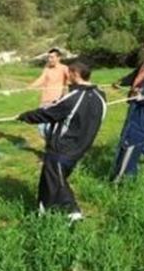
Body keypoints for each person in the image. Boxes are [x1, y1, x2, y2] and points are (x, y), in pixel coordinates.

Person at [17, 62, 107, 222]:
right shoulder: (101, 95)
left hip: (63, 148)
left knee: (57, 181)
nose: (67, 77)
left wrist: (25, 116)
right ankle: (43, 212)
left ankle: (73, 212)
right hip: (81, 147)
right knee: (48, 180)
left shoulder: (74, 97)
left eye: (69, 73)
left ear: (75, 74)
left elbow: (50, 113)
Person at [29, 48, 70, 137]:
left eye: (52, 57)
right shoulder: (47, 68)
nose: (49, 59)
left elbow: (70, 81)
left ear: (58, 58)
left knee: (53, 127)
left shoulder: (64, 68)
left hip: (56, 101)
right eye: (49, 57)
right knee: (41, 127)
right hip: (44, 101)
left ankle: (54, 145)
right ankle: (49, 144)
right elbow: (41, 79)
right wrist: (30, 87)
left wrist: (65, 93)